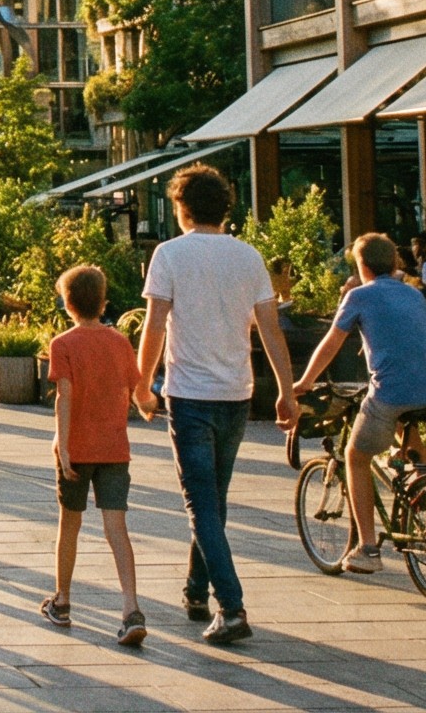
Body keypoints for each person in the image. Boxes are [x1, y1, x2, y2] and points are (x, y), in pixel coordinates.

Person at [134, 164, 297, 648]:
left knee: (201, 504)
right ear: (226, 208)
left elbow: (155, 326)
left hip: (189, 395)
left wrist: (142, 385)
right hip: (236, 393)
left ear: (181, 209)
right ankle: (194, 592)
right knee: (213, 501)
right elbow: (270, 329)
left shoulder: (169, 255)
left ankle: (231, 607)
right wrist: (287, 391)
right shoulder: (248, 256)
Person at [297, 231, 426, 575]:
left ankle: (367, 548)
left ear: (362, 266)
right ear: (395, 263)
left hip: (390, 390)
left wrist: (304, 381)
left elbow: (330, 343)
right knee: (406, 428)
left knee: (355, 456)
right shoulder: (414, 294)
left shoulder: (359, 296)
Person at [42, 263, 148, 646]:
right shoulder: (120, 342)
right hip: (115, 449)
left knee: (69, 524)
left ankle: (63, 601)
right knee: (116, 528)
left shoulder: (63, 344)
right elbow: (135, 390)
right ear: (103, 303)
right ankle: (131, 607)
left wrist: (64, 445)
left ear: (67, 303)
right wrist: (149, 403)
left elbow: (63, 397)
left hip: (79, 448)